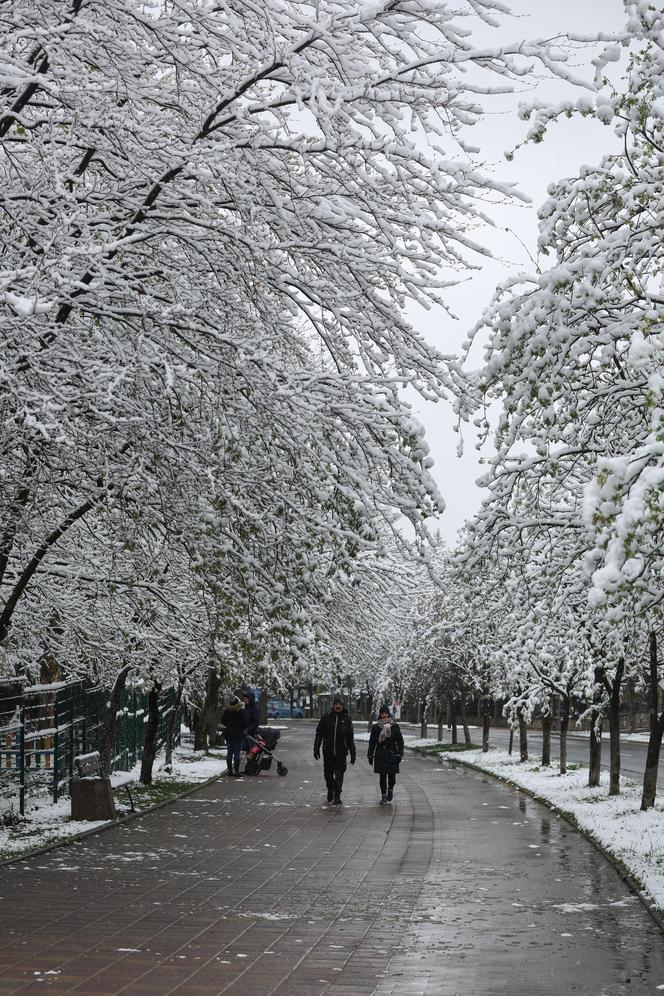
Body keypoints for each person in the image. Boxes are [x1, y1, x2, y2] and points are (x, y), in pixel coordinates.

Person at [313, 694, 356, 804]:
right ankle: (330, 790)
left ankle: (337, 794)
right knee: (328, 774)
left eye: (339, 704)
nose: (338, 706)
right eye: (336, 704)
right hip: (328, 752)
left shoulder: (346, 719)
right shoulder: (326, 718)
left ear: (342, 706)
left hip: (341, 753)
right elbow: (319, 734)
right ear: (333, 705)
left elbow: (350, 738)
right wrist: (316, 748)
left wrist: (353, 753)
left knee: (339, 775)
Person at [368, 704, 404, 804]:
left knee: (392, 777)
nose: (384, 715)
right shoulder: (376, 727)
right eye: (382, 713)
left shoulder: (394, 726)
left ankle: (390, 789)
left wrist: (400, 753)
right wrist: (370, 755)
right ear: (380, 714)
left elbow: (400, 740)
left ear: (389, 714)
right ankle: (383, 795)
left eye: (386, 713)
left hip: (392, 754)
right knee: (382, 776)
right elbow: (372, 742)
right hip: (381, 754)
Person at [220, 692, 246, 777]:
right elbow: (244, 722)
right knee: (237, 753)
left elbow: (223, 721)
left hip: (229, 734)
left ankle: (230, 771)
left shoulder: (227, 711)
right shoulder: (240, 711)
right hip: (237, 734)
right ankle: (237, 771)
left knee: (229, 752)